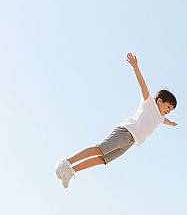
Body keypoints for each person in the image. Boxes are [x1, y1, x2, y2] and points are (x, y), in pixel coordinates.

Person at [55, 53, 177, 188]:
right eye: (168, 107)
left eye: (170, 110)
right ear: (160, 101)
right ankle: (66, 162)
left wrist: (171, 123)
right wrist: (135, 67)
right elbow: (143, 85)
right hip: (125, 132)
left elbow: (163, 120)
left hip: (131, 141)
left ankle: (70, 171)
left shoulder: (159, 118)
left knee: (102, 160)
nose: (168, 111)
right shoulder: (149, 103)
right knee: (99, 149)